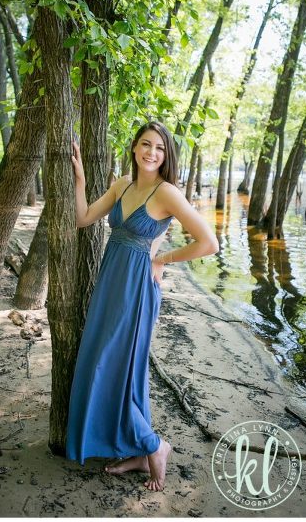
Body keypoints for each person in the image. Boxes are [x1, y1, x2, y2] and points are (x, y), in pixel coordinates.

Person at [65, 121, 218, 491]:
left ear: (166, 156)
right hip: (109, 285)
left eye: (160, 148)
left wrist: (162, 259)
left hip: (136, 290)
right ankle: (137, 449)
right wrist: (80, 179)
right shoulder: (122, 184)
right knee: (105, 362)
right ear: (134, 148)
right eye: (146, 145)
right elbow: (84, 219)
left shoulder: (167, 193)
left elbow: (208, 242)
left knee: (118, 366)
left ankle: (155, 445)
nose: (152, 152)